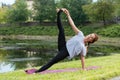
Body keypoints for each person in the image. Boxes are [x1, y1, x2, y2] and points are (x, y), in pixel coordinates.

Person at [35, 8, 98, 73]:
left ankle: (37, 72)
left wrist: (83, 68)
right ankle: (59, 13)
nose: (89, 36)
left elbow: (82, 58)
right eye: (90, 35)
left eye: (91, 37)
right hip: (63, 44)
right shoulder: (80, 34)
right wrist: (68, 15)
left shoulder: (84, 47)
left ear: (91, 41)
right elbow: (72, 24)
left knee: (52, 61)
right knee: (61, 30)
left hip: (65, 52)